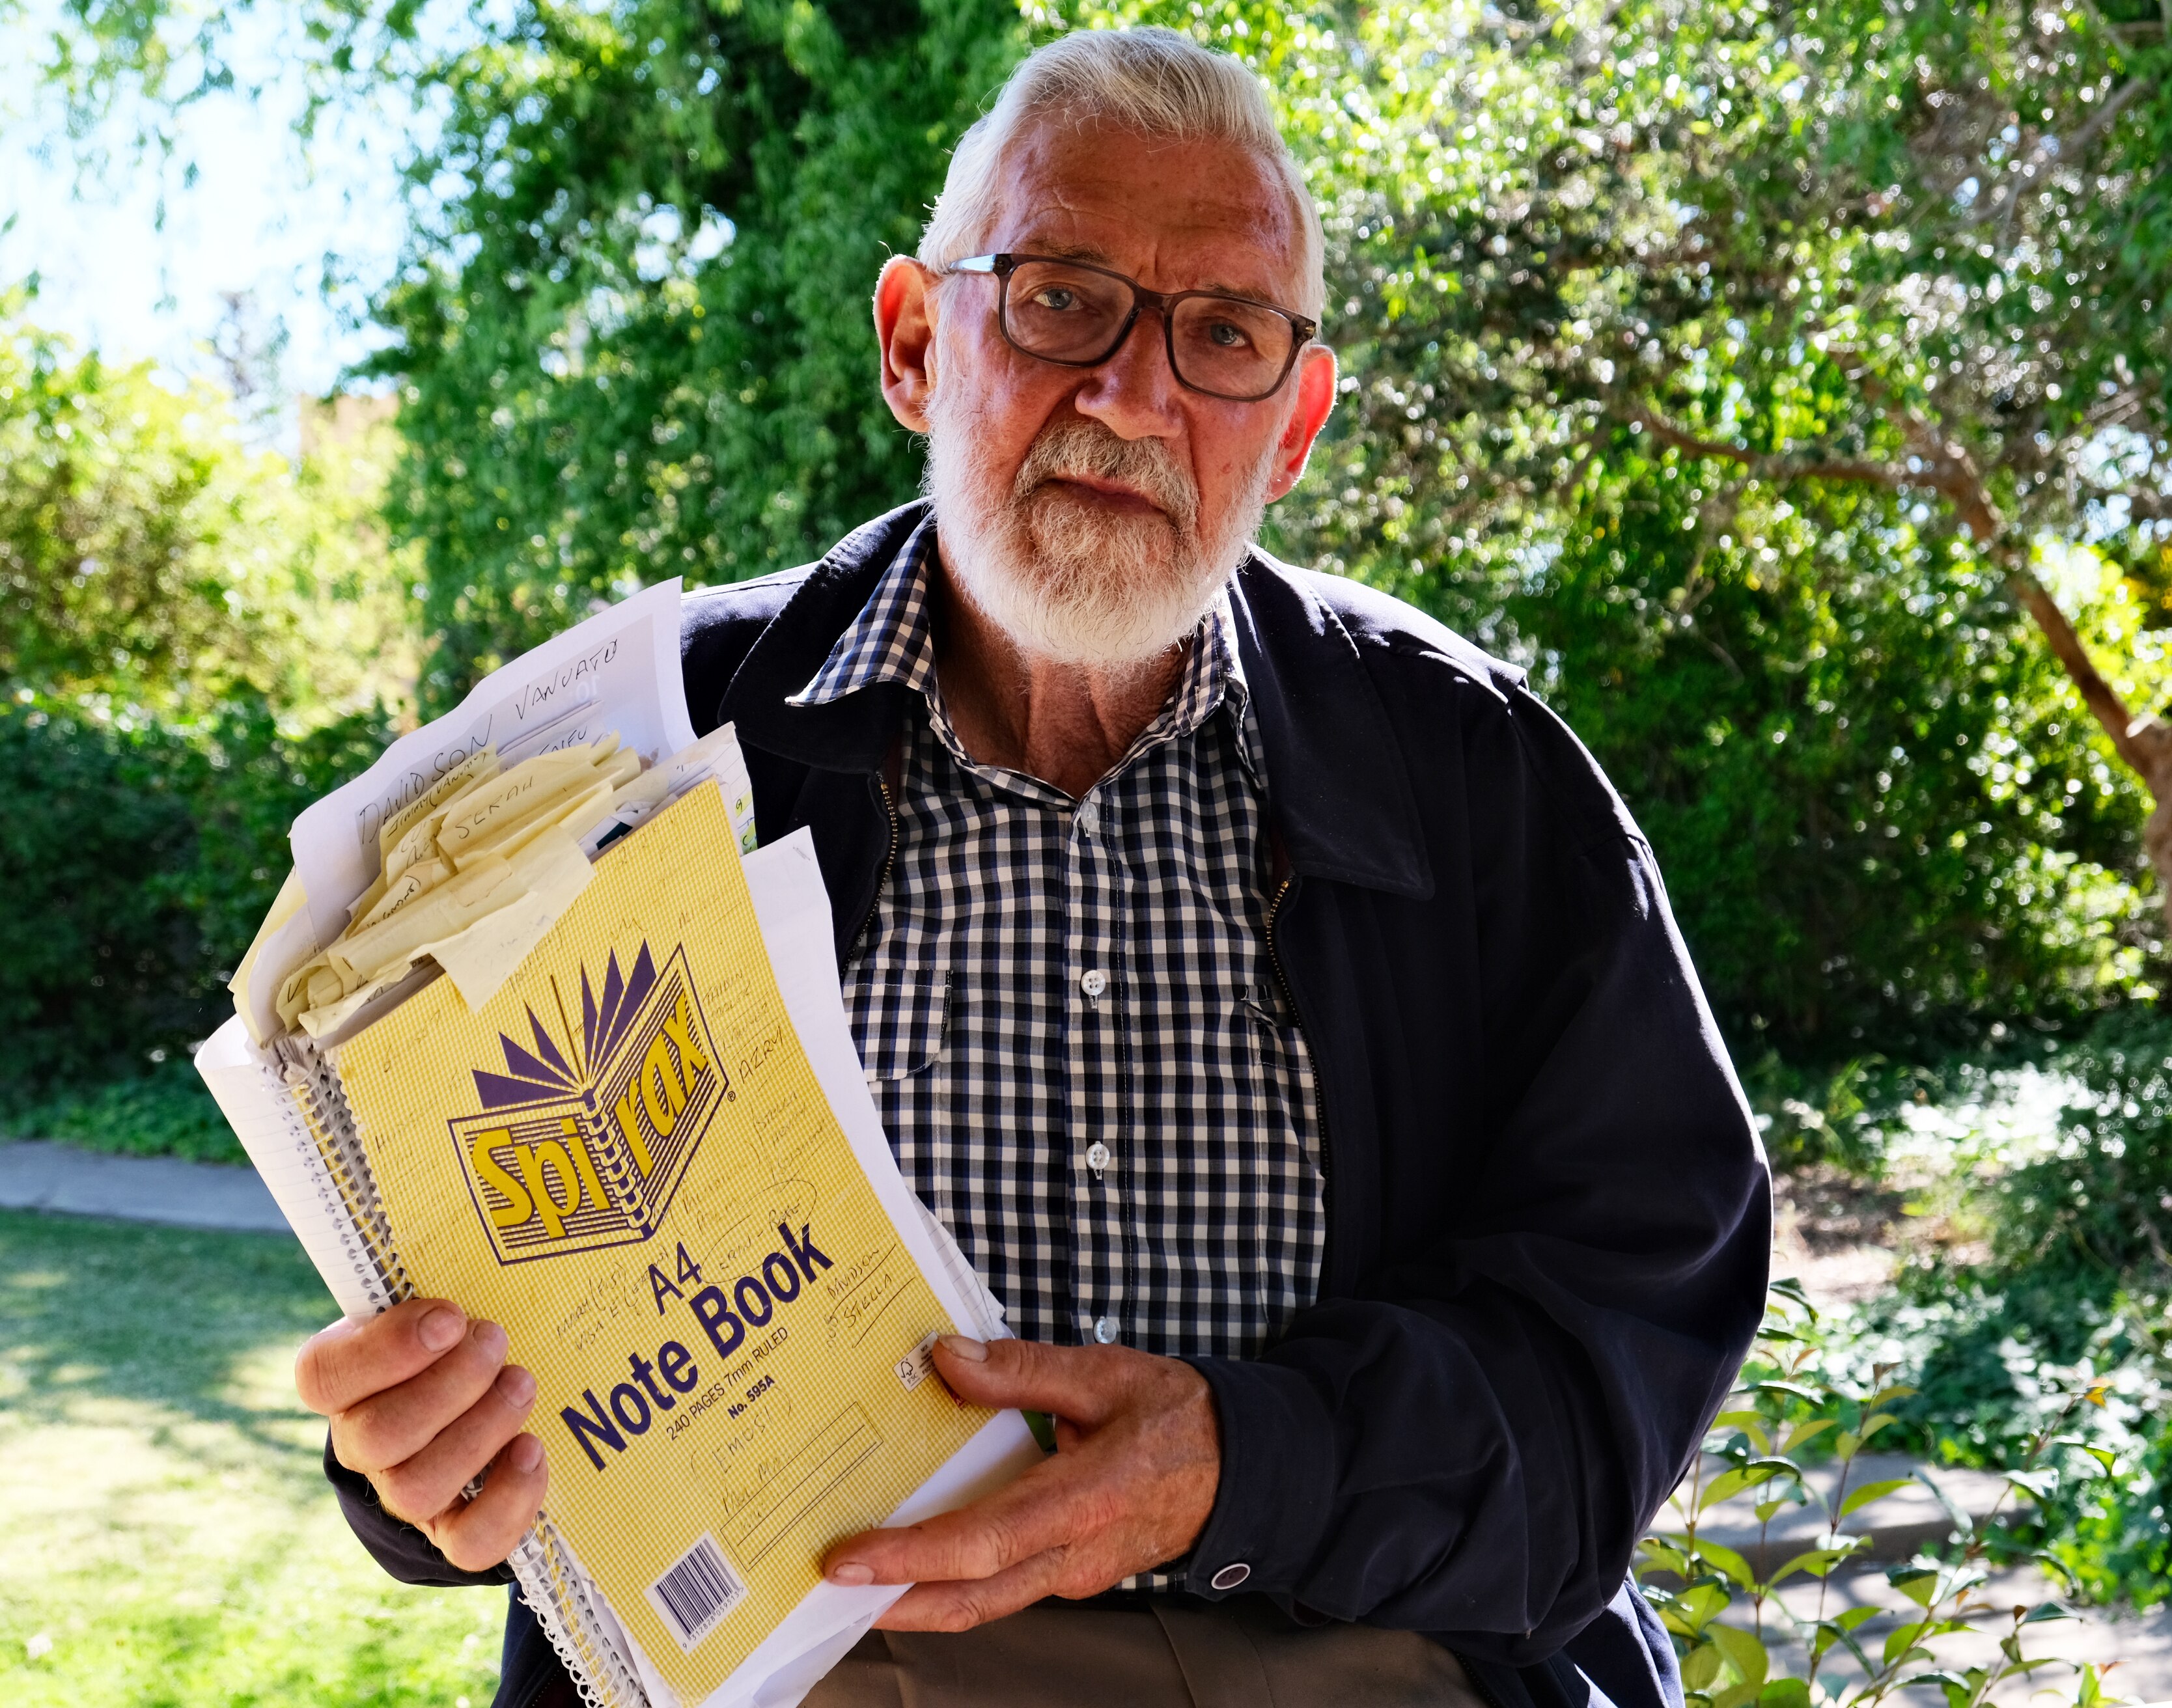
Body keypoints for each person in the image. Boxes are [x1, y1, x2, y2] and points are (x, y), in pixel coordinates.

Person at [296, 27, 1770, 1708]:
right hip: (817, 1671)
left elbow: (1612, 1377)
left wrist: (1244, 1465)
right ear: (918, 342)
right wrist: (417, 1464)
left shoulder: (1478, 781)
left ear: (1291, 426)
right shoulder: (638, 748)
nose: (1133, 395)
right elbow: (453, 1307)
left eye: (1222, 333)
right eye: (1063, 296)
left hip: (1358, 1655)